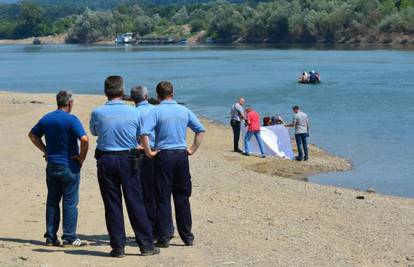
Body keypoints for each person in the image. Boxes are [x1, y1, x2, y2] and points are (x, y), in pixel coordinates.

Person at [90, 76, 160, 257]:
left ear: (106, 92)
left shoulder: (97, 112)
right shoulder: (134, 112)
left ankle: (118, 247)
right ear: (122, 92)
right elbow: (140, 134)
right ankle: (146, 245)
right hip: (128, 159)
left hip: (106, 159)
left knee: (112, 203)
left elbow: (94, 131)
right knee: (135, 201)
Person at [141, 81, 205, 248]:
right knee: (182, 197)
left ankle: (164, 236)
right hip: (181, 155)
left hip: (164, 156)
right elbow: (200, 130)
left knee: (163, 197)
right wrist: (191, 149)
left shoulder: (156, 111)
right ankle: (187, 236)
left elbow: (144, 133)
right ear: (172, 93)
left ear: (158, 95)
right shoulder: (184, 110)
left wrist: (149, 152)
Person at [28, 90, 89, 247]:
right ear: (69, 103)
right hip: (69, 165)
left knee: (53, 200)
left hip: (52, 164)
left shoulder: (47, 118)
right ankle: (69, 237)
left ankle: (51, 236)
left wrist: (46, 150)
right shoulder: (71, 119)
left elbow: (33, 135)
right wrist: (81, 157)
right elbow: (84, 139)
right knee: (69, 201)